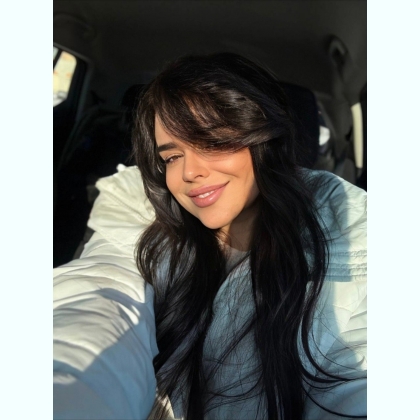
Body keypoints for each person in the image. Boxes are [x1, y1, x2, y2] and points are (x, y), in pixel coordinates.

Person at [53, 53, 366, 420]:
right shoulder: (142, 213)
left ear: (263, 135)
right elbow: (102, 291)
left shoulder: (354, 240)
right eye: (172, 157)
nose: (189, 172)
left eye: (211, 141)